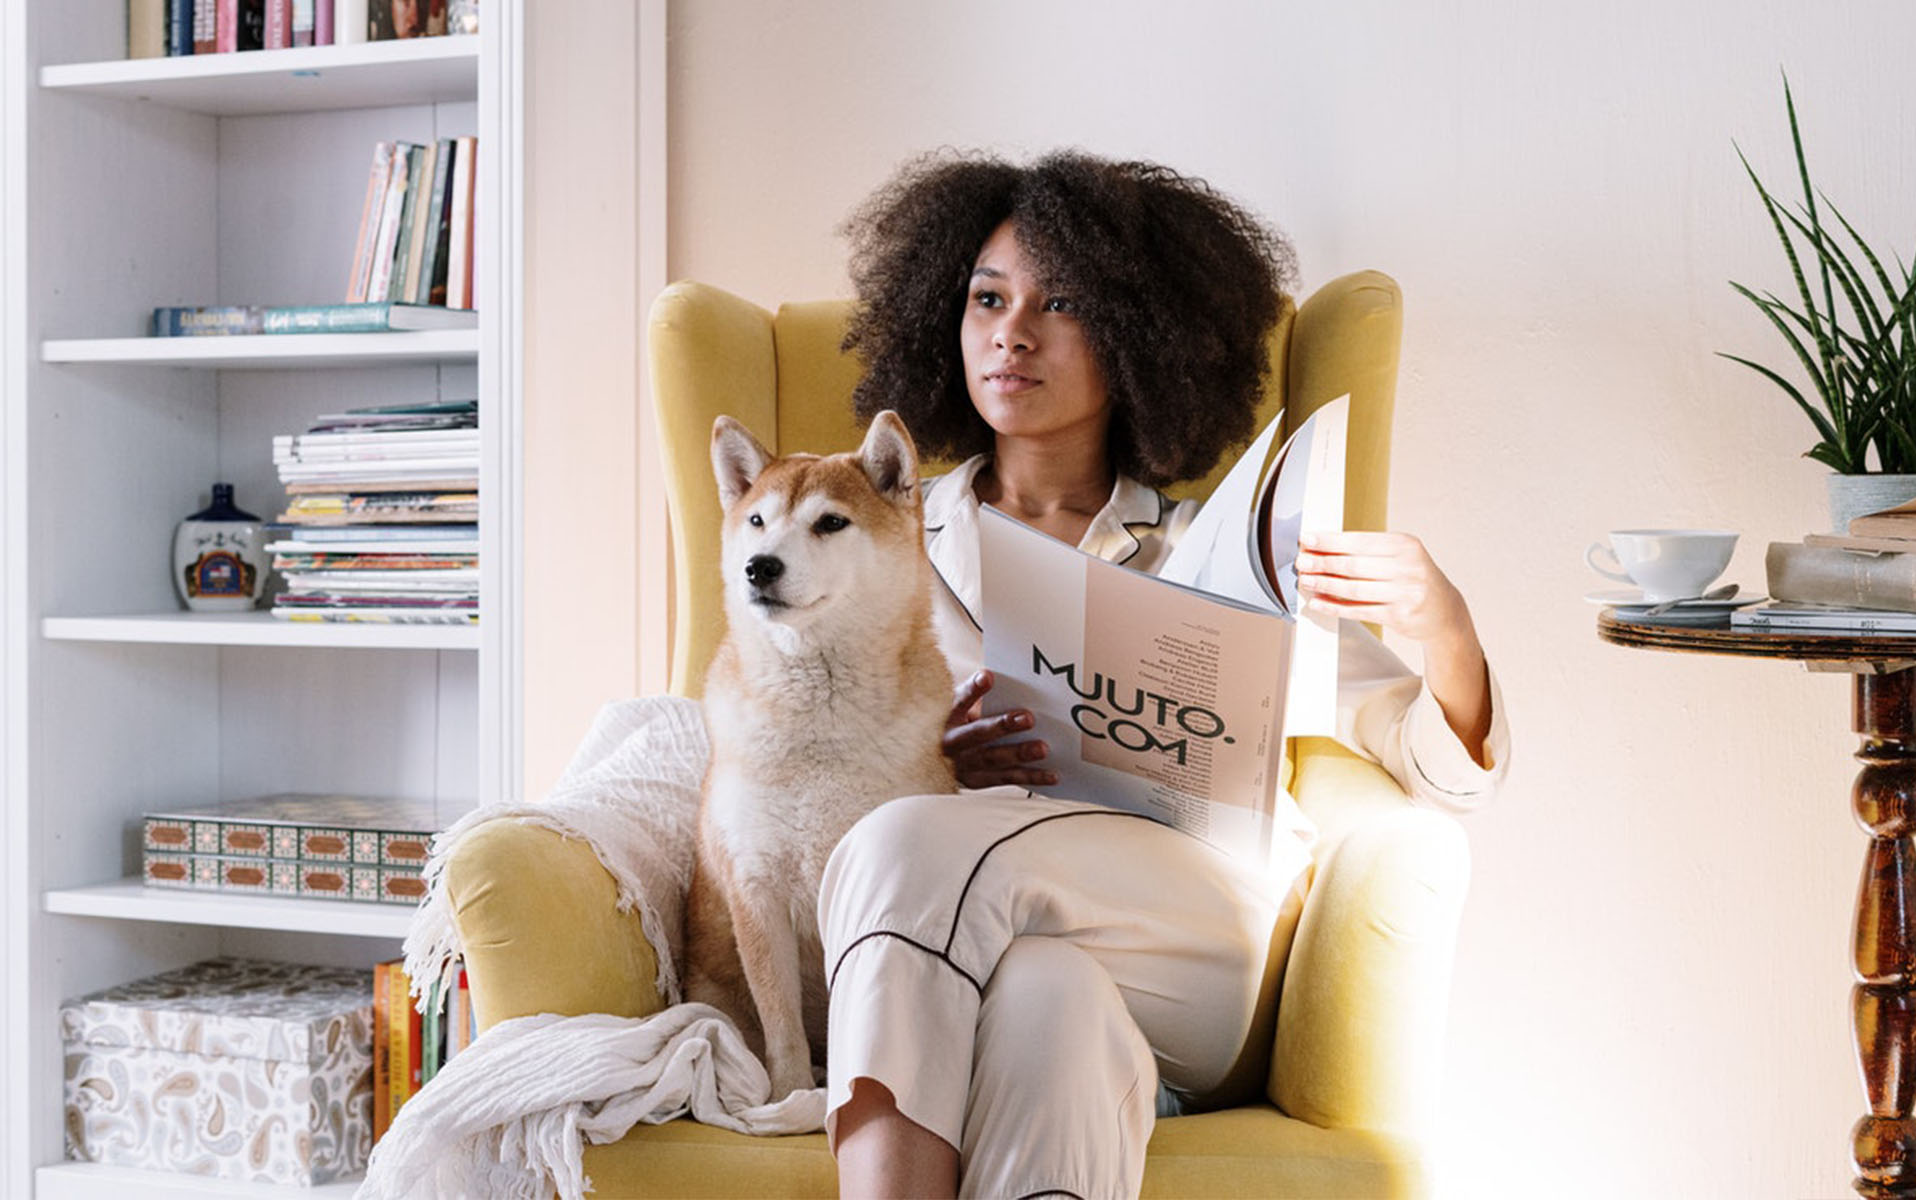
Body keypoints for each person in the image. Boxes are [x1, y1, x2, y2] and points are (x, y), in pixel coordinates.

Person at [818, 150, 1509, 1198]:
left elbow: (1445, 770)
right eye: (985, 300)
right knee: (1051, 1008)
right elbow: (787, 763)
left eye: (1060, 304)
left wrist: (1443, 624)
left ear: (1139, 339)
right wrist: (923, 754)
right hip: (993, 946)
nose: (1011, 331)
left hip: (1196, 943)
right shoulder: (874, 542)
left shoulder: (1216, 549)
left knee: (904, 841)